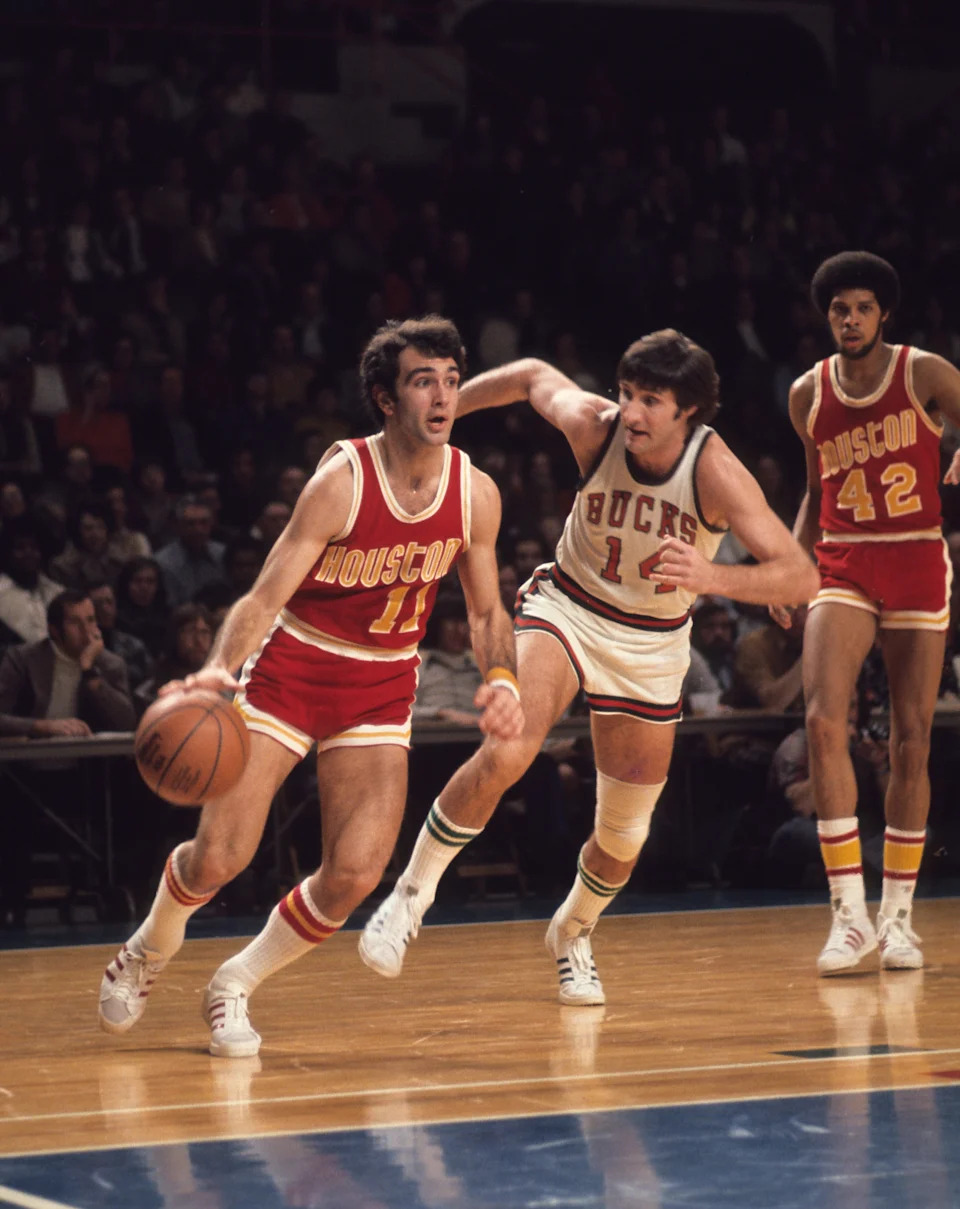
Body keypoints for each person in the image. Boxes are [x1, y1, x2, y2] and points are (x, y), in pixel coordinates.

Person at [97, 316, 523, 1056]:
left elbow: (486, 610)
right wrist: (218, 671)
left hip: (382, 684)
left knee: (356, 872)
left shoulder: (474, 493)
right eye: (424, 380)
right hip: (294, 667)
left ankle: (233, 983)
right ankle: (147, 947)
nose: (443, 395)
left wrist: (502, 677)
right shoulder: (341, 482)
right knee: (219, 858)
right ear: (385, 399)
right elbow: (262, 597)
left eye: (452, 380)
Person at [359, 327, 820, 1005]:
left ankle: (572, 931)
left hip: (652, 643)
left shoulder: (715, 471)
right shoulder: (595, 425)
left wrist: (714, 577)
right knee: (510, 748)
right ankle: (409, 896)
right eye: (626, 393)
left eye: (650, 401)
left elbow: (799, 576)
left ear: (687, 410)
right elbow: (530, 373)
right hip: (567, 608)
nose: (629, 411)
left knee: (623, 834)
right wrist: (453, 411)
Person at [772, 250, 960, 976]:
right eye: (838, 309)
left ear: (884, 314)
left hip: (915, 556)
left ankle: (899, 918)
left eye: (862, 308)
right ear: (828, 317)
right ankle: (848, 915)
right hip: (844, 559)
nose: (849, 320)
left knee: (912, 736)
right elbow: (815, 489)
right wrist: (791, 563)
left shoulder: (924, 372)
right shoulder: (806, 394)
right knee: (823, 721)